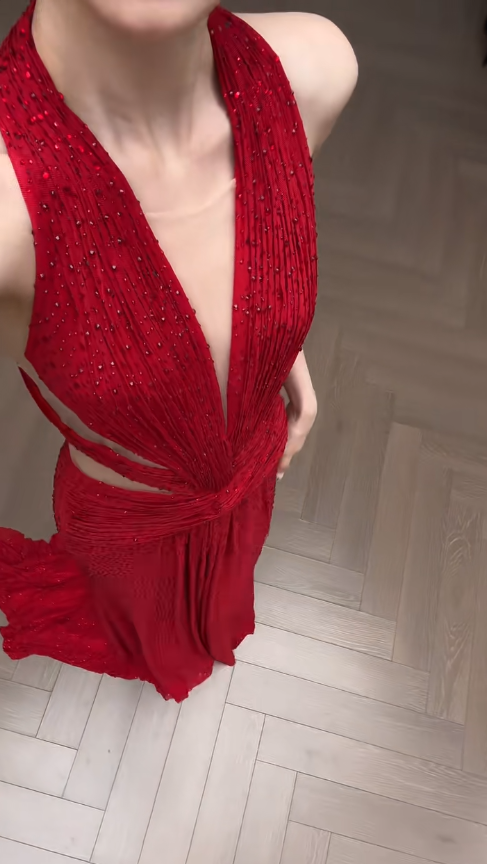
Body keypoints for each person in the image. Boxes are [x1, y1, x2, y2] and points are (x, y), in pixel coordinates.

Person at [0, 0, 357, 701]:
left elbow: (252, 255)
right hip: (131, 521)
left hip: (256, 464)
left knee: (222, 589)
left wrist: (279, 347)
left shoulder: (313, 69)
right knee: (143, 626)